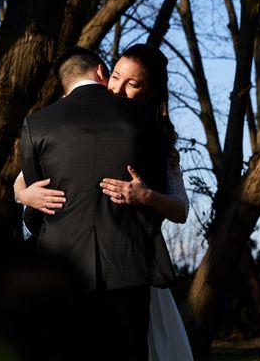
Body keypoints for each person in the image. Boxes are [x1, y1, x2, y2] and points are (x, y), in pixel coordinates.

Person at [15, 43, 193, 361]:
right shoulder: (67, 116)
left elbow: (180, 208)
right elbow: (27, 177)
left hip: (131, 263)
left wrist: (146, 196)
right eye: (116, 77)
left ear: (150, 91)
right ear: (103, 73)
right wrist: (24, 194)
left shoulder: (153, 131)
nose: (118, 89)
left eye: (133, 84)